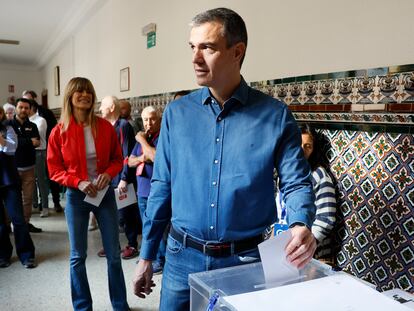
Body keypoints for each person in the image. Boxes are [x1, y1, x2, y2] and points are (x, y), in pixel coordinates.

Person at [132, 8, 316, 310]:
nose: (195, 57)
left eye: (207, 47)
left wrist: (300, 223)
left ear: (237, 51)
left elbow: (296, 182)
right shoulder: (176, 116)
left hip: (244, 262)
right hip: (182, 258)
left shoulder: (275, 116)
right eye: (192, 47)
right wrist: (147, 255)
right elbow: (162, 186)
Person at [47, 77, 129, 311]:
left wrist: (108, 173)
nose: (85, 95)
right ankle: (83, 307)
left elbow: (117, 159)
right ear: (70, 96)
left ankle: (120, 305)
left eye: (89, 91)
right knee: (77, 256)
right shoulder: (58, 132)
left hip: (104, 195)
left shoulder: (104, 127)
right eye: (79, 91)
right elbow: (54, 170)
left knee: (114, 254)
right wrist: (77, 182)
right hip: (77, 197)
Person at [99, 95, 140, 260]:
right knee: (110, 214)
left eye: (102, 106)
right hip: (108, 178)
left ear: (111, 108)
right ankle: (112, 245)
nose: (100, 109)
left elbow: (126, 153)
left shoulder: (123, 126)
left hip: (122, 178)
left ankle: (132, 245)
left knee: (126, 213)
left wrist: (124, 178)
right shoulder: (104, 127)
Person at [128, 106, 165, 274]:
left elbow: (156, 157)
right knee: (146, 227)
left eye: (152, 119)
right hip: (142, 191)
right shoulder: (145, 137)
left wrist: (142, 141)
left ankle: (160, 259)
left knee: (157, 228)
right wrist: (144, 157)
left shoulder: (161, 137)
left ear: (159, 119)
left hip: (155, 192)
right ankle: (149, 257)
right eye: (145, 120)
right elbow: (130, 161)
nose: (148, 123)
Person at [0, 106, 36, 269]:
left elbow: (11, 149)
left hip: (9, 180)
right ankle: (3, 254)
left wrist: (1, 139)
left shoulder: (7, 128)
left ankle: (27, 254)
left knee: (18, 219)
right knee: (0, 223)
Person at [299, 124, 336, 262]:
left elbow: (326, 219)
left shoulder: (320, 176)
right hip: (286, 248)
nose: (302, 150)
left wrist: (306, 244)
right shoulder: (285, 174)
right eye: (298, 144)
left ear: (314, 150)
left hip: (312, 254)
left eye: (307, 146)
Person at [22, 90, 63, 213]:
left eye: (28, 100)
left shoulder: (45, 113)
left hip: (47, 148)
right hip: (31, 151)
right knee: (33, 179)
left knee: (48, 177)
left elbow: (52, 131)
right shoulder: (25, 117)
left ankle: (55, 202)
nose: (26, 103)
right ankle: (37, 204)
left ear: (34, 100)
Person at [7, 98, 42, 233]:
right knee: (10, 199)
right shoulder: (7, 124)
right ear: (16, 108)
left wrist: (17, 141)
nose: (23, 110)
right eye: (21, 107)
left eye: (26, 108)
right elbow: (8, 143)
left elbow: (37, 143)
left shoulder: (32, 126)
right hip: (11, 169)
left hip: (29, 168)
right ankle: (8, 225)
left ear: (30, 110)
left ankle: (25, 225)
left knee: (27, 199)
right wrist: (28, 141)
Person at [29, 100, 49, 217]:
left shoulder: (40, 120)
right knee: (31, 180)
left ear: (32, 108)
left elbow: (36, 137)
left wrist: (24, 139)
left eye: (27, 108)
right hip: (28, 152)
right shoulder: (26, 122)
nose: (24, 110)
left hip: (39, 152)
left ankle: (45, 206)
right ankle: (35, 205)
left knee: (41, 180)